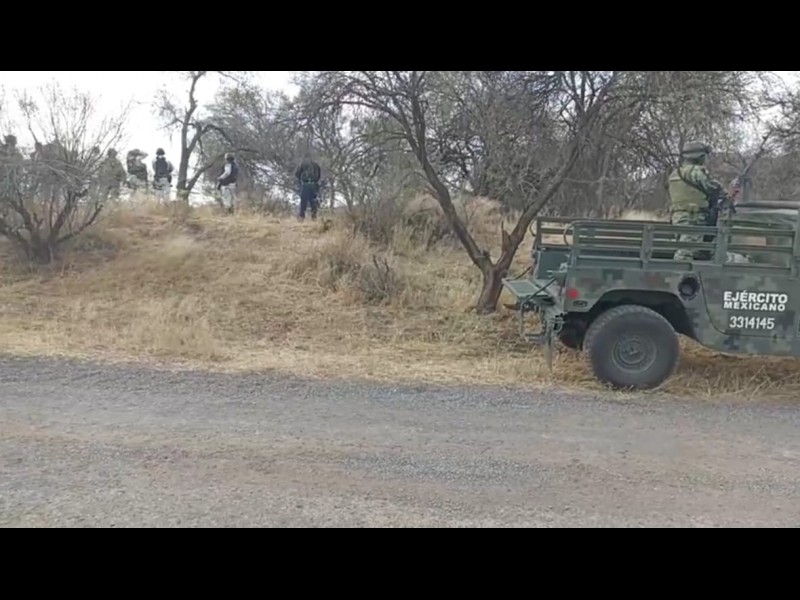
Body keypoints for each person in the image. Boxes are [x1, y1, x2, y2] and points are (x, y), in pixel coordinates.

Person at [667, 141, 733, 261]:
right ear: (699, 156)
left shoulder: (675, 174)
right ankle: (677, 272)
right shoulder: (696, 172)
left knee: (694, 251)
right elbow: (713, 188)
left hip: (678, 217)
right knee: (686, 253)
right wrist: (727, 192)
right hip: (693, 218)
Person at [294, 153, 322, 221]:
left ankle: (302, 217)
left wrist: (301, 181)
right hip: (313, 185)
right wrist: (315, 181)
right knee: (313, 201)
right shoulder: (316, 165)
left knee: (304, 201)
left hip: (306, 184)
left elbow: (297, 174)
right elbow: (319, 175)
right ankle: (314, 217)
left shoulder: (302, 164)